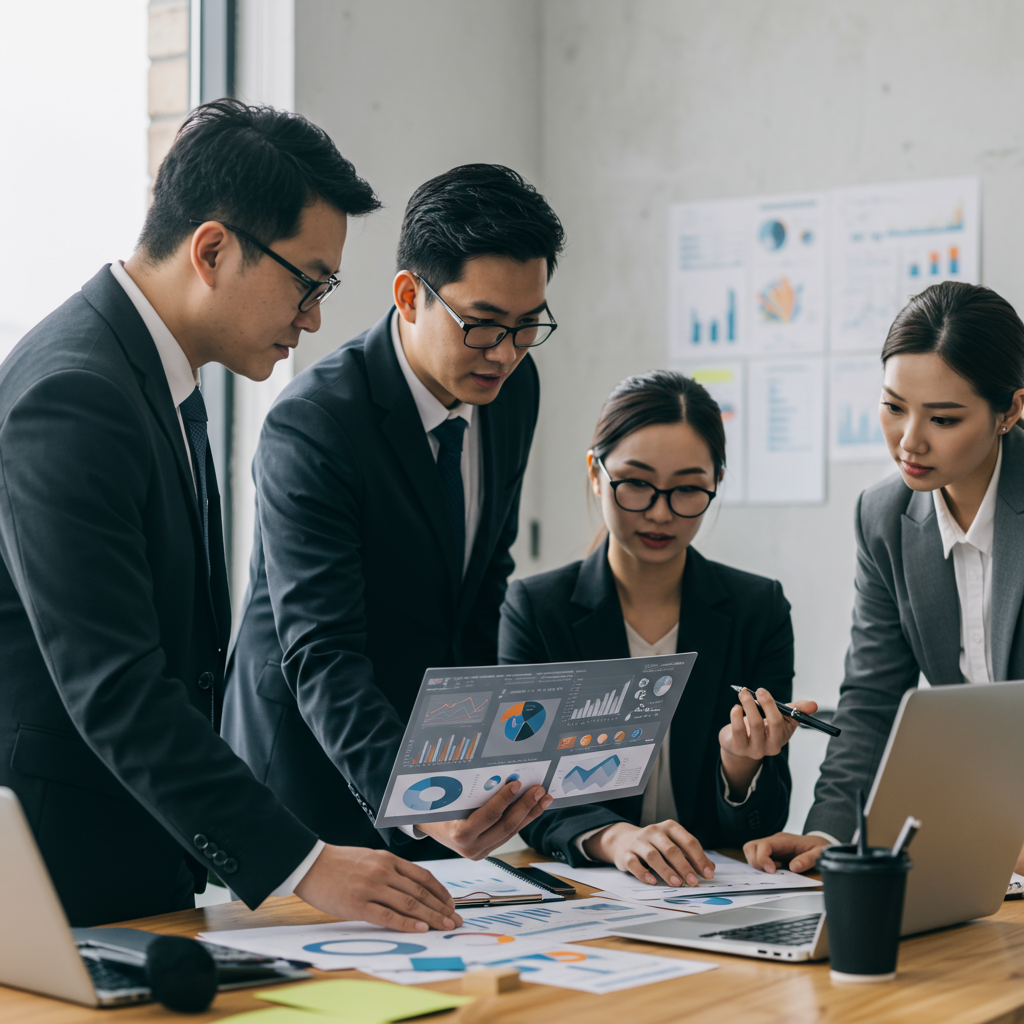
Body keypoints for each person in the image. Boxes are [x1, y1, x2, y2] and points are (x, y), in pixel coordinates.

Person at [0, 99, 461, 934]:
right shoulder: (74, 393)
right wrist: (306, 863)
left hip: (140, 866)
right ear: (212, 249)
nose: (315, 316)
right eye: (308, 281)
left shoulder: (161, 377)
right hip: (58, 884)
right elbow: (116, 688)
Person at [223, 164, 565, 861]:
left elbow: (481, 587)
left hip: (435, 768)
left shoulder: (513, 391)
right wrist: (420, 797)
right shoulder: (315, 424)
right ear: (410, 296)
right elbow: (322, 651)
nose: (504, 353)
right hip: (312, 774)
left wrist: (483, 765)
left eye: (528, 326)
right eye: (483, 325)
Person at [745, 281, 1024, 875]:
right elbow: (875, 699)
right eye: (894, 406)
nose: (909, 441)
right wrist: (831, 833)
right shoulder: (884, 516)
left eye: (944, 418)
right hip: (985, 837)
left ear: (1012, 411)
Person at [498, 370, 818, 886]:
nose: (661, 513)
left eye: (688, 489)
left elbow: (765, 818)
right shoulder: (537, 609)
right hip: (588, 890)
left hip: (712, 885)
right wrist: (615, 837)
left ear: (715, 483)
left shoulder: (757, 609)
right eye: (638, 484)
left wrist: (739, 764)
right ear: (596, 473)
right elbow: (523, 789)